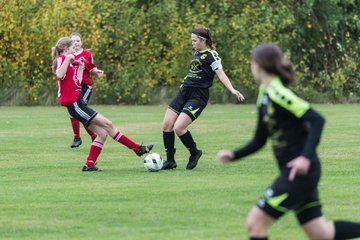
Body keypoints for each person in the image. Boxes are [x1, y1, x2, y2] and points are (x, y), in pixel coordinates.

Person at [217, 43, 360, 240]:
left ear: (257, 65)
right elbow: (260, 139)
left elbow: (317, 120)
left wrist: (305, 158)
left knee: (255, 224)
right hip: (297, 172)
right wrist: (234, 155)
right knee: (321, 234)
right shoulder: (264, 93)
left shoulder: (278, 93)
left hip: (299, 174)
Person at [51, 37, 153, 171]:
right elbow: (59, 74)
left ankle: (89, 165)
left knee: (102, 133)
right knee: (108, 124)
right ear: (65, 49)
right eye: (71, 48)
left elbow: (77, 83)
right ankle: (137, 149)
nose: (73, 50)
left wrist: (80, 68)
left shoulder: (69, 62)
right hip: (75, 105)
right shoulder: (61, 59)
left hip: (78, 103)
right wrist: (68, 58)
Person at [162, 28, 245, 170]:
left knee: (179, 127)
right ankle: (170, 161)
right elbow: (194, 72)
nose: (192, 43)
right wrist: (185, 81)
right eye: (192, 40)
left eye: (194, 40)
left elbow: (221, 74)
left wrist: (232, 90)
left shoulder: (212, 55)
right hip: (184, 92)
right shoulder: (196, 53)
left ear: (203, 40)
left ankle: (194, 152)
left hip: (198, 96)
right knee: (167, 125)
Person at [67, 32, 104, 148]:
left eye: (77, 40)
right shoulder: (69, 55)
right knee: (74, 113)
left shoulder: (87, 54)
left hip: (85, 87)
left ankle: (86, 137)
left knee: (79, 111)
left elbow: (91, 67)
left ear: (81, 42)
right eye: (73, 41)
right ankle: (81, 137)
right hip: (73, 87)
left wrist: (97, 71)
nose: (75, 43)